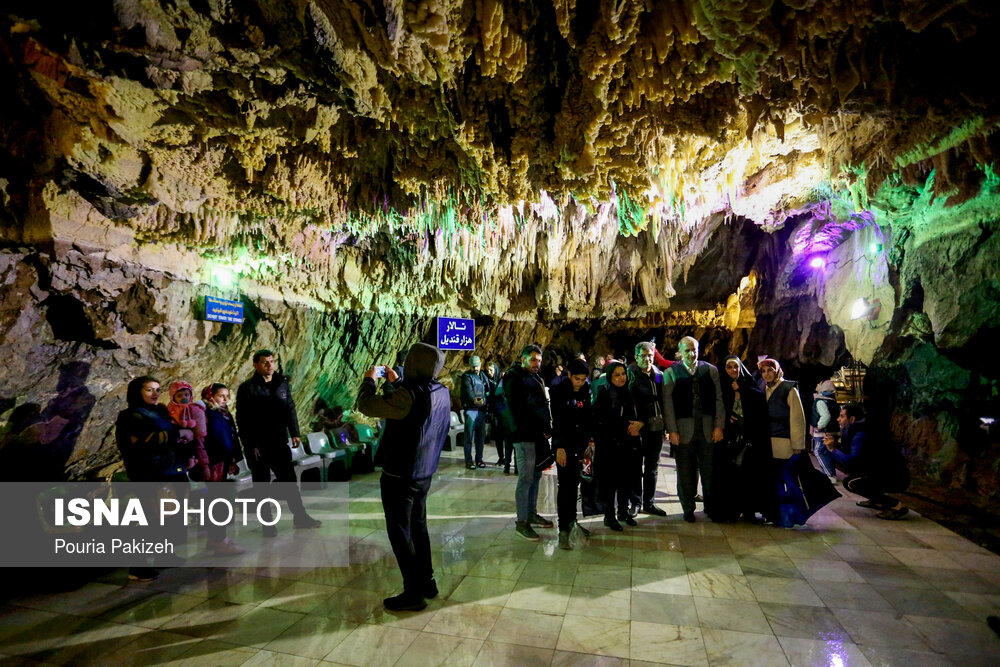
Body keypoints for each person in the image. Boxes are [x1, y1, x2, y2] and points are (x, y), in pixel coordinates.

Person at [355, 342, 451, 611]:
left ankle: (413, 593)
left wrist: (369, 381)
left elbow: (367, 405)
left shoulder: (409, 394)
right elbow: (411, 411)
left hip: (400, 474)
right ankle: (427, 581)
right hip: (424, 473)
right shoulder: (441, 391)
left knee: (400, 533)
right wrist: (397, 383)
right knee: (419, 528)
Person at [115, 376, 194, 582]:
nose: (155, 394)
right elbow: (139, 443)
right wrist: (177, 435)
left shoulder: (159, 411)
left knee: (170, 518)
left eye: (157, 390)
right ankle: (138, 566)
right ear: (137, 392)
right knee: (150, 520)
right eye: (149, 390)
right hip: (150, 473)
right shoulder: (130, 416)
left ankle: (163, 554)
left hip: (170, 470)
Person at [236, 349, 321, 537]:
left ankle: (300, 517)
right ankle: (267, 524)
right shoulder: (247, 388)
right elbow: (242, 420)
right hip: (258, 446)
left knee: (290, 482)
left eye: (272, 361)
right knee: (262, 487)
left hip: (279, 442)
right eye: (265, 362)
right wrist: (251, 446)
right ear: (256, 365)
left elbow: (289, 408)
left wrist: (295, 433)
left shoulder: (282, 384)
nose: (270, 365)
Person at [662, 336, 724, 522]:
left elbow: (718, 399)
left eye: (694, 349)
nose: (691, 353)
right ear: (680, 351)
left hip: (706, 429)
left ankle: (711, 507)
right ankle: (688, 508)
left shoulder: (710, 370)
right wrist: (672, 430)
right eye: (687, 350)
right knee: (685, 472)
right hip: (683, 431)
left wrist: (718, 426)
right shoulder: (671, 372)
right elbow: (667, 404)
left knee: (709, 470)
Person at [824, 403, 910, 520]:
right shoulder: (858, 429)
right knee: (857, 478)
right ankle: (876, 500)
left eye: (842, 416)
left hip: (894, 477)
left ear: (852, 419)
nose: (838, 419)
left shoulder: (861, 433)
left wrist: (832, 449)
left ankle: (895, 506)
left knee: (851, 483)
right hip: (883, 472)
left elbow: (851, 461)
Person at [503, 344, 553, 541]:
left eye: (539, 360)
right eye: (532, 359)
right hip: (524, 435)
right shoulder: (515, 378)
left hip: (537, 435)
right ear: (522, 358)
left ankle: (531, 513)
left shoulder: (534, 377)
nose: (536, 364)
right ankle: (522, 522)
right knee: (525, 478)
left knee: (536, 475)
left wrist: (545, 427)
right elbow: (519, 409)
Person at [717, 356, 774, 522]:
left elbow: (758, 404)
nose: (733, 370)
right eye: (729, 367)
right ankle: (731, 510)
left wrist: (742, 390)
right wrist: (727, 416)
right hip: (729, 439)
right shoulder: (722, 385)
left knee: (748, 475)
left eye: (736, 367)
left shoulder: (748, 384)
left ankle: (748, 510)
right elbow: (718, 407)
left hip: (749, 438)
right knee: (730, 475)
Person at [593, 361, 643, 531]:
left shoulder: (627, 392)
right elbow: (599, 419)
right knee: (610, 482)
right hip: (609, 445)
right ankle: (609, 516)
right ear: (610, 377)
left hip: (626, 443)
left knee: (625, 480)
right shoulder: (604, 392)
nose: (622, 378)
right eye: (617, 375)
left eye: (623, 374)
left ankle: (623, 511)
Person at [759, 358, 809, 526]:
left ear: (777, 371)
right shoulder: (763, 389)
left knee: (789, 481)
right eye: (764, 371)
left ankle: (797, 514)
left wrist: (797, 444)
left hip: (785, 443)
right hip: (769, 444)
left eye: (770, 370)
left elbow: (797, 418)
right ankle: (780, 516)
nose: (766, 374)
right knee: (775, 482)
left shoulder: (788, 388)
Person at [551, 359, 594, 548]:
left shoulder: (586, 391)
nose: (580, 382)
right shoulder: (559, 391)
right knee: (565, 487)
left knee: (577, 485)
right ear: (569, 375)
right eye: (577, 379)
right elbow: (557, 421)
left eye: (583, 379)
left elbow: (588, 418)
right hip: (564, 447)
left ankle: (573, 522)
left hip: (581, 446)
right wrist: (559, 447)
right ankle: (563, 529)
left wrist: (590, 441)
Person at [201, 383, 246, 555]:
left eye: (227, 395)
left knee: (220, 502)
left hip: (223, 462)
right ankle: (220, 540)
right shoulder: (207, 414)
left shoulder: (224, 414)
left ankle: (216, 539)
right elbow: (210, 440)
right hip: (214, 464)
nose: (226, 399)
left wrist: (233, 459)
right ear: (210, 396)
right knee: (218, 503)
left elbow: (231, 437)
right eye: (221, 396)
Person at [628, 342, 668, 517]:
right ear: (636, 357)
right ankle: (635, 502)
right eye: (643, 355)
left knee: (652, 466)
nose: (647, 359)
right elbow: (629, 402)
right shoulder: (631, 375)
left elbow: (662, 400)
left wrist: (665, 426)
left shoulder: (658, 374)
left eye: (650, 355)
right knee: (635, 465)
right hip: (638, 427)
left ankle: (649, 502)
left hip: (655, 427)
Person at [166, 381, 210, 482]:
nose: (183, 398)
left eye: (186, 394)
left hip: (193, 446)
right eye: (179, 395)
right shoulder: (170, 411)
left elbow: (200, 436)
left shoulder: (195, 410)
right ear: (173, 397)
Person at [460, 355, 490, 470]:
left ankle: (479, 459)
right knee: (468, 437)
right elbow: (469, 394)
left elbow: (487, 389)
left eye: (477, 366)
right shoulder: (466, 377)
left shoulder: (483, 376)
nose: (475, 368)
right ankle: (468, 461)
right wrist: (482, 401)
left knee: (480, 437)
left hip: (481, 411)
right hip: (471, 411)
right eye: (473, 366)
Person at [811, 379, 839, 483]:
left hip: (823, 432)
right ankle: (831, 473)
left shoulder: (821, 401)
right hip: (832, 431)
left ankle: (829, 475)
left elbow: (826, 416)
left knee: (818, 451)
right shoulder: (832, 401)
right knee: (828, 452)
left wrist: (819, 426)